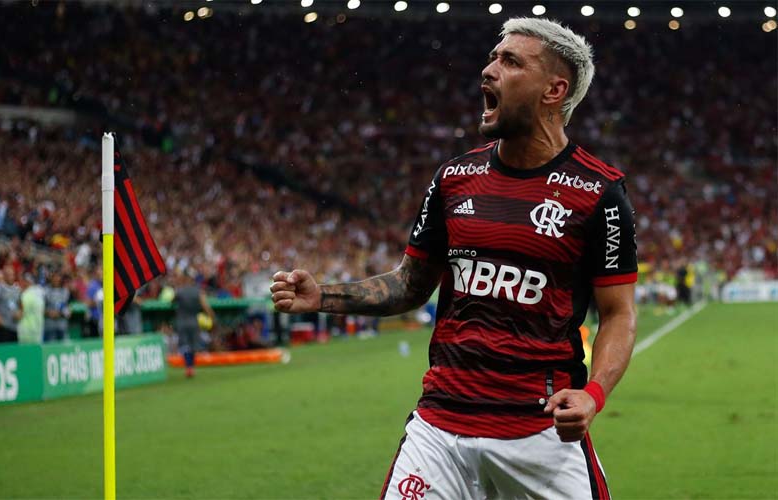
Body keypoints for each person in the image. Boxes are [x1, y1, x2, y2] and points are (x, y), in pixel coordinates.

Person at [271, 17, 637, 499]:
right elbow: (410, 284)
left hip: (541, 432)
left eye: (510, 61)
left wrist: (593, 395)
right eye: (492, 57)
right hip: (440, 430)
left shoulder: (599, 193)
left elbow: (618, 314)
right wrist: (324, 297)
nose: (489, 70)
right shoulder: (454, 178)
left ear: (554, 90)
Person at [173, 270, 215, 378]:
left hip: (182, 321)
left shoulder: (180, 291)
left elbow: (172, 301)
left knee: (185, 345)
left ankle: (188, 367)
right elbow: (205, 306)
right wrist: (212, 316)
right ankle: (191, 367)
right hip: (193, 321)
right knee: (193, 346)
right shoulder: (197, 291)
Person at [43, 270, 71, 342]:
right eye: (54, 277)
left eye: (58, 277)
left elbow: (69, 309)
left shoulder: (65, 291)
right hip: (49, 326)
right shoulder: (45, 291)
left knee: (64, 347)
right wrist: (49, 313)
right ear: (51, 278)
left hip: (62, 326)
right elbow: (41, 308)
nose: (56, 279)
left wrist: (61, 313)